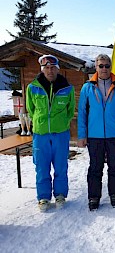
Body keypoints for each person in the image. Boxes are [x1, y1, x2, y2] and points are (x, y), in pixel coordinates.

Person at [78, 54, 115, 211]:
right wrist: (82, 135)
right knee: (95, 167)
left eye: (107, 66)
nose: (104, 69)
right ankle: (94, 197)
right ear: (96, 67)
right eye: (101, 66)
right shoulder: (87, 87)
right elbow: (82, 112)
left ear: (111, 67)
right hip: (94, 135)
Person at [26, 55, 75, 212]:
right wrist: (40, 123)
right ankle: (43, 197)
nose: (50, 70)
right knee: (41, 167)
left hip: (60, 134)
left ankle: (60, 194)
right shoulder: (33, 87)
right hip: (40, 135)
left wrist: (61, 123)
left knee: (61, 165)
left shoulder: (67, 88)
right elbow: (31, 109)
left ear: (57, 69)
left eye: (53, 68)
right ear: (42, 69)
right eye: (46, 68)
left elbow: (70, 110)